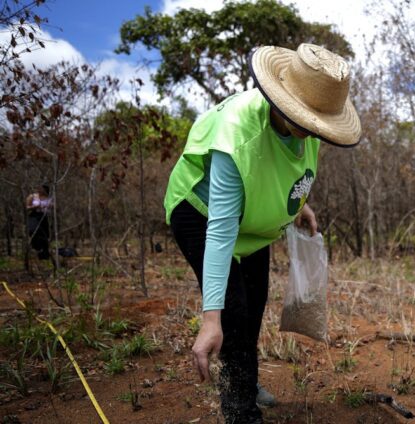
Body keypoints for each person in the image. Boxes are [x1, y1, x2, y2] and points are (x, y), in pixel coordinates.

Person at [164, 44, 361, 423]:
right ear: (282, 102)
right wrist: (210, 319)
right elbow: (221, 231)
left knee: (255, 301)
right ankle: (240, 412)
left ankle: (247, 382)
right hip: (201, 213)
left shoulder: (310, 127)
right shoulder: (238, 134)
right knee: (233, 312)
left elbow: (280, 169)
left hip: (251, 222)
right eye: (306, 120)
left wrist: (298, 204)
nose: (312, 132)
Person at [25, 184, 52, 260]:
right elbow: (27, 207)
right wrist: (35, 207)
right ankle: (36, 248)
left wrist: (50, 206)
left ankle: (44, 256)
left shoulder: (49, 198)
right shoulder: (32, 196)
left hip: (44, 216)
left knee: (44, 235)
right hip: (34, 215)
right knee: (34, 230)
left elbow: (53, 207)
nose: (40, 190)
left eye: (42, 189)